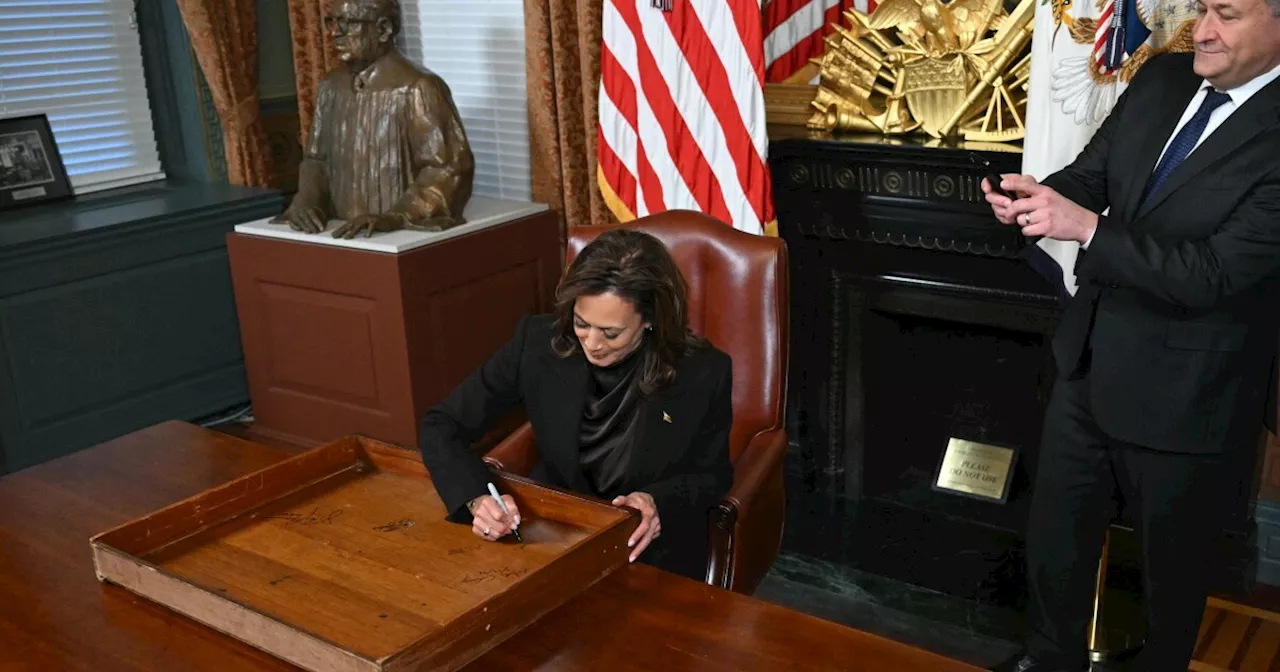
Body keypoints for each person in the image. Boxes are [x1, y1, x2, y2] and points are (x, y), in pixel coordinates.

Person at [983, 0, 1280, 668]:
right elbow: (1089, 178)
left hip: (1192, 393)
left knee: (1168, 589)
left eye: (1226, 16)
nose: (1200, 31)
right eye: (1202, 8)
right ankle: (1049, 658)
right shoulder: (1163, 79)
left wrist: (1085, 227)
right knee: (1055, 543)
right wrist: (1034, 198)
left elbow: (1210, 273)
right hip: (1088, 359)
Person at [417, 229, 734, 581]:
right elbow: (441, 424)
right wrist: (477, 499)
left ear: (650, 320)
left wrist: (657, 502)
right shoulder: (538, 343)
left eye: (611, 333)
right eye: (582, 324)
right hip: (555, 534)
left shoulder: (701, 371)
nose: (592, 344)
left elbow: (713, 475)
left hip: (644, 552)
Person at [278, 0, 474, 239]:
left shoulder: (418, 87)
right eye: (333, 21)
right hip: (338, 232)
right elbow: (316, 160)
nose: (335, 32)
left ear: (383, 29)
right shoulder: (331, 86)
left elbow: (448, 168)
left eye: (349, 23)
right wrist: (307, 201)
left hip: (390, 239)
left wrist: (396, 216)